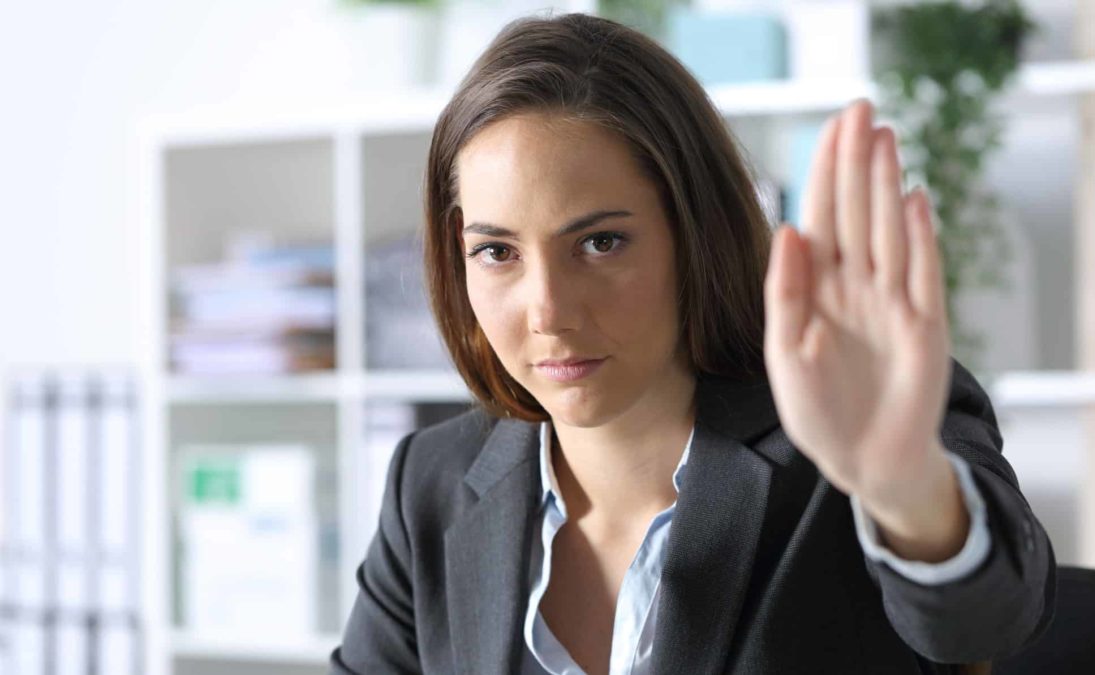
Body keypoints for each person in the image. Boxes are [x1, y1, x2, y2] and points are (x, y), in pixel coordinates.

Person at [330, 12, 1055, 675]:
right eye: (497, 252)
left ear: (695, 235)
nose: (548, 310)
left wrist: (903, 490)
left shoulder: (855, 423)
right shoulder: (430, 483)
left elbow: (985, 625)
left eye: (600, 242)